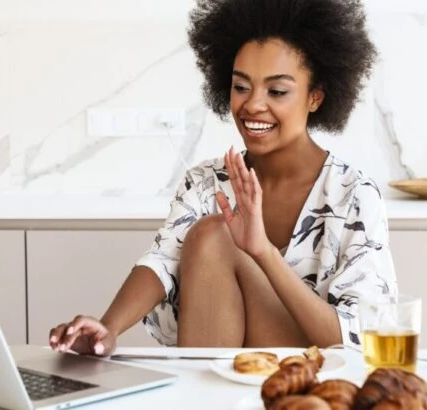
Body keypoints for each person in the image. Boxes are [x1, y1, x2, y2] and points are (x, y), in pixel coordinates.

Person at [49, 0, 397, 356]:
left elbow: (357, 339)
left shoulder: (353, 196)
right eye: (241, 86)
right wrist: (107, 328)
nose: (253, 105)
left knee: (218, 235)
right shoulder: (206, 181)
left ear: (315, 97)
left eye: (276, 91)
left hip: (315, 380)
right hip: (223, 378)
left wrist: (262, 252)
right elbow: (163, 258)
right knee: (212, 234)